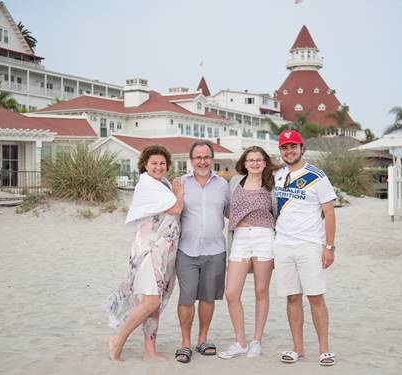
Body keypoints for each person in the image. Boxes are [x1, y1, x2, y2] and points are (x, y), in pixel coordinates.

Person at [106, 144, 184, 361]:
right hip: (150, 251)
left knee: (155, 302)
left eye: (162, 163)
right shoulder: (148, 184)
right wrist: (180, 193)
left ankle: (150, 351)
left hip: (164, 252)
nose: (158, 167)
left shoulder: (163, 184)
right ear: (145, 165)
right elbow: (176, 209)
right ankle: (118, 339)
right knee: (150, 301)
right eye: (154, 163)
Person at [273, 130, 337, 367]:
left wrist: (329, 247)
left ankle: (324, 350)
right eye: (284, 147)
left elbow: (329, 213)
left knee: (315, 297)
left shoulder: (317, 176)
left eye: (293, 146)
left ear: (302, 148)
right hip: (282, 245)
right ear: (280, 151)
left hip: (309, 245)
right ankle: (297, 349)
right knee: (292, 297)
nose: (289, 151)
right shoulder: (279, 176)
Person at [218, 146, 278, 359]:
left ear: (265, 162)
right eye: (250, 160)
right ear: (244, 163)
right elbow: (227, 208)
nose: (254, 163)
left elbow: (278, 212)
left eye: (259, 159)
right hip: (240, 239)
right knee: (231, 292)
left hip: (264, 238)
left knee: (261, 291)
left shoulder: (273, 184)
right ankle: (240, 342)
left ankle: (256, 342)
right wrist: (239, 220)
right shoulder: (235, 182)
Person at [174, 140, 229, 363]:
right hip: (186, 249)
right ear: (191, 160)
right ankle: (185, 343)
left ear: (212, 159)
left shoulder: (223, 185)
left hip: (215, 249)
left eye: (206, 157)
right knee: (187, 297)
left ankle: (202, 339)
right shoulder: (179, 183)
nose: (202, 161)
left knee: (208, 297)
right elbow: (170, 212)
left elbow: (230, 213)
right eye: (198, 157)